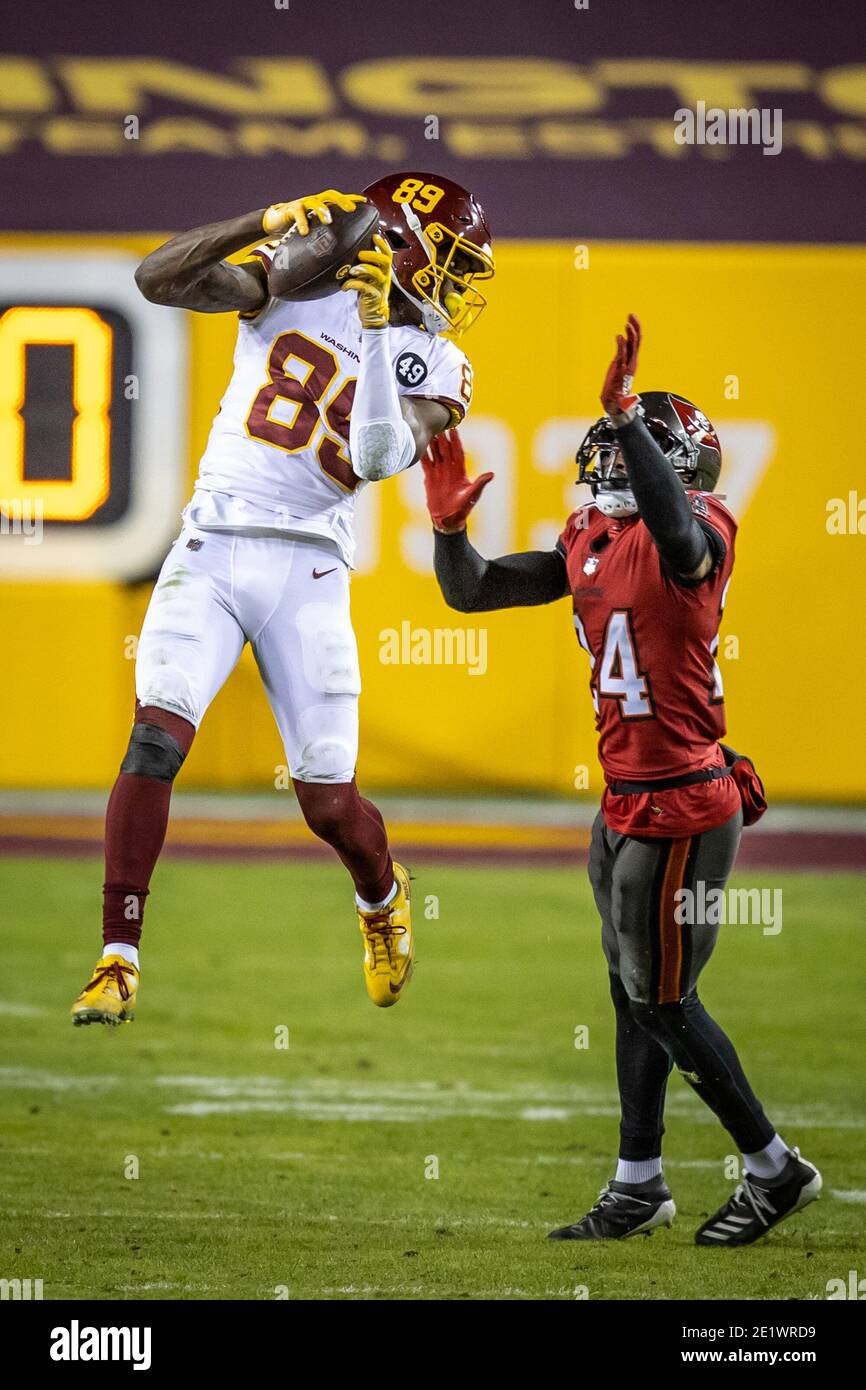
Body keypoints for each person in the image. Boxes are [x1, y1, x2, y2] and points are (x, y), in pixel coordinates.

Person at [421, 315, 821, 1247]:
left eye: (622, 448)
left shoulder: (700, 530)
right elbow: (473, 589)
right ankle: (639, 1182)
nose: (600, 465)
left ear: (665, 457)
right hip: (624, 801)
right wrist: (446, 527)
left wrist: (628, 415)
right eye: (604, 445)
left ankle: (774, 1170)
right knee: (628, 987)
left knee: (665, 1000)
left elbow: (679, 535)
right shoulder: (590, 537)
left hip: (681, 802)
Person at [71, 173, 494, 1025]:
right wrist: (261, 224)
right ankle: (118, 957)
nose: (452, 287)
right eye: (447, 259)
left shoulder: (443, 362)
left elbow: (375, 456)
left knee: (327, 802)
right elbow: (157, 277)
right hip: (216, 542)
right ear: (398, 237)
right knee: (156, 736)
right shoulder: (299, 272)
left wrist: (376, 333)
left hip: (311, 571)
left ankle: (381, 898)